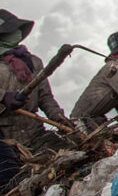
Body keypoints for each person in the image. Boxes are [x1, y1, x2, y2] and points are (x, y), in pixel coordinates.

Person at [0, 10, 71, 145]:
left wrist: (60, 119)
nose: (16, 33)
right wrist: (3, 96)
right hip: (5, 141)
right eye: (10, 31)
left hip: (37, 135)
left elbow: (45, 98)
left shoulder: (32, 61)